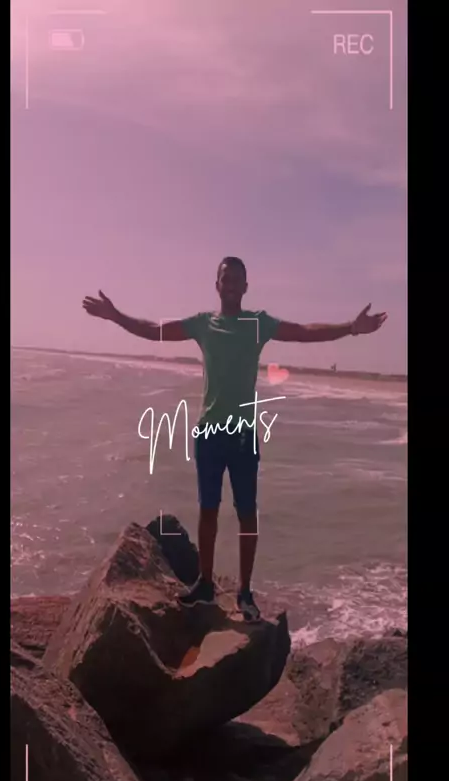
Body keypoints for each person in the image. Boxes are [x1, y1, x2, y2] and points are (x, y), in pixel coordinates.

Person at [82, 256, 387, 622]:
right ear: (217, 285)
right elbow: (155, 330)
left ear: (245, 286)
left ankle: (244, 592)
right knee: (207, 511)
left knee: (246, 514)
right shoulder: (203, 324)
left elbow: (304, 331)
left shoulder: (257, 323)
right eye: (225, 279)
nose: (230, 285)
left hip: (243, 435)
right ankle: (205, 584)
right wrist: (116, 316)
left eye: (236, 280)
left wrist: (351, 328)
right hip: (209, 433)